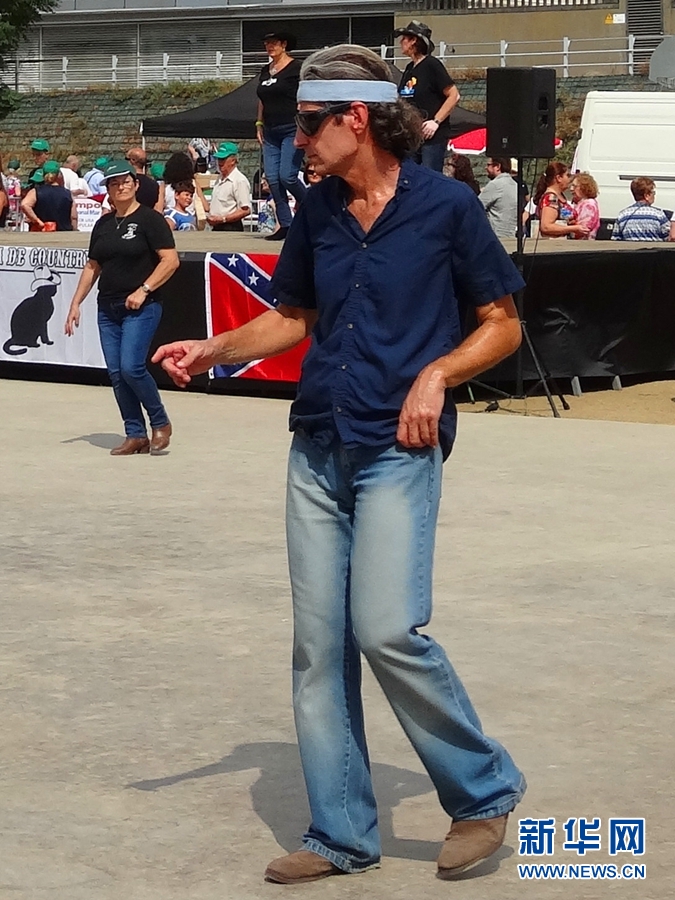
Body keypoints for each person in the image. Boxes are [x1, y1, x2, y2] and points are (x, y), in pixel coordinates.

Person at [153, 43, 526, 886]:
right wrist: (213, 349)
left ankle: (482, 791)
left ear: (356, 119)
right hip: (318, 443)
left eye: (308, 124)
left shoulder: (445, 207)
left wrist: (436, 375)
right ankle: (341, 834)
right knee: (319, 649)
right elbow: (294, 316)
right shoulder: (317, 211)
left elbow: (501, 324)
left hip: (399, 447)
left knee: (386, 629)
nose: (297, 141)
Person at [64, 160, 179, 456]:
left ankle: (160, 422)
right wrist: (75, 303)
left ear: (136, 184)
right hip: (108, 308)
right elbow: (93, 266)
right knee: (116, 373)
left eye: (126, 181)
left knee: (132, 367)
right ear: (108, 190)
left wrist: (144, 289)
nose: (121, 187)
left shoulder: (150, 220)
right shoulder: (103, 225)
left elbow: (170, 261)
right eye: (114, 184)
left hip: (142, 306)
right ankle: (135, 433)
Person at [256, 30, 307, 241]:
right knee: (273, 179)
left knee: (287, 176)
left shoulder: (297, 68)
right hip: (270, 130)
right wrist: (259, 123)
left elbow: (305, 95)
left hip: (291, 127)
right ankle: (286, 224)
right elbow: (262, 99)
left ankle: (311, 206)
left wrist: (304, 122)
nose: (270, 47)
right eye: (267, 43)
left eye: (274, 43)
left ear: (284, 45)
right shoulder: (265, 70)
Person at [395, 20, 460, 172]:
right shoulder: (409, 68)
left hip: (432, 138)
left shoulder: (432, 65)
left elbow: (454, 95)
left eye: (404, 38)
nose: (400, 42)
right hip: (412, 137)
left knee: (429, 176)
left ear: (413, 41)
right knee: (409, 175)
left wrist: (436, 121)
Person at [534, 162, 589, 239]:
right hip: (552, 244)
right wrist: (574, 228)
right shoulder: (551, 198)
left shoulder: (559, 196)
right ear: (559, 178)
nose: (569, 180)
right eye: (567, 175)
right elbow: (546, 226)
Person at [206, 142, 251, 232]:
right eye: (219, 159)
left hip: (231, 227)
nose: (220, 162)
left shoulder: (239, 180)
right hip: (217, 227)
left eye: (223, 159)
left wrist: (223, 219)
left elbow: (245, 210)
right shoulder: (219, 178)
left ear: (233, 161)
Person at [21, 160, 78, 231]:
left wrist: (37, 221)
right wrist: (74, 230)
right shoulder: (67, 193)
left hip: (41, 232)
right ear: (58, 175)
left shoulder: (36, 192)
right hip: (64, 233)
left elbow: (25, 204)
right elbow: (73, 217)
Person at [612, 177, 669, 242]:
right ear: (647, 196)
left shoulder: (622, 215)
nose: (654, 195)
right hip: (653, 248)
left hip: (630, 248)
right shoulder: (658, 215)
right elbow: (669, 237)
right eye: (653, 192)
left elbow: (615, 240)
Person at [479, 157, 518, 239]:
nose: (486, 168)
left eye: (488, 165)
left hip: (494, 237)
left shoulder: (495, 184)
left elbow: (475, 207)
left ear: (497, 167)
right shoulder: (515, 185)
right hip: (510, 237)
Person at [570, 172, 600, 241]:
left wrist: (568, 226)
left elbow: (584, 229)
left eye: (574, 186)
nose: (571, 189)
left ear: (584, 187)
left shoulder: (589, 205)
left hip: (583, 244)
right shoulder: (581, 203)